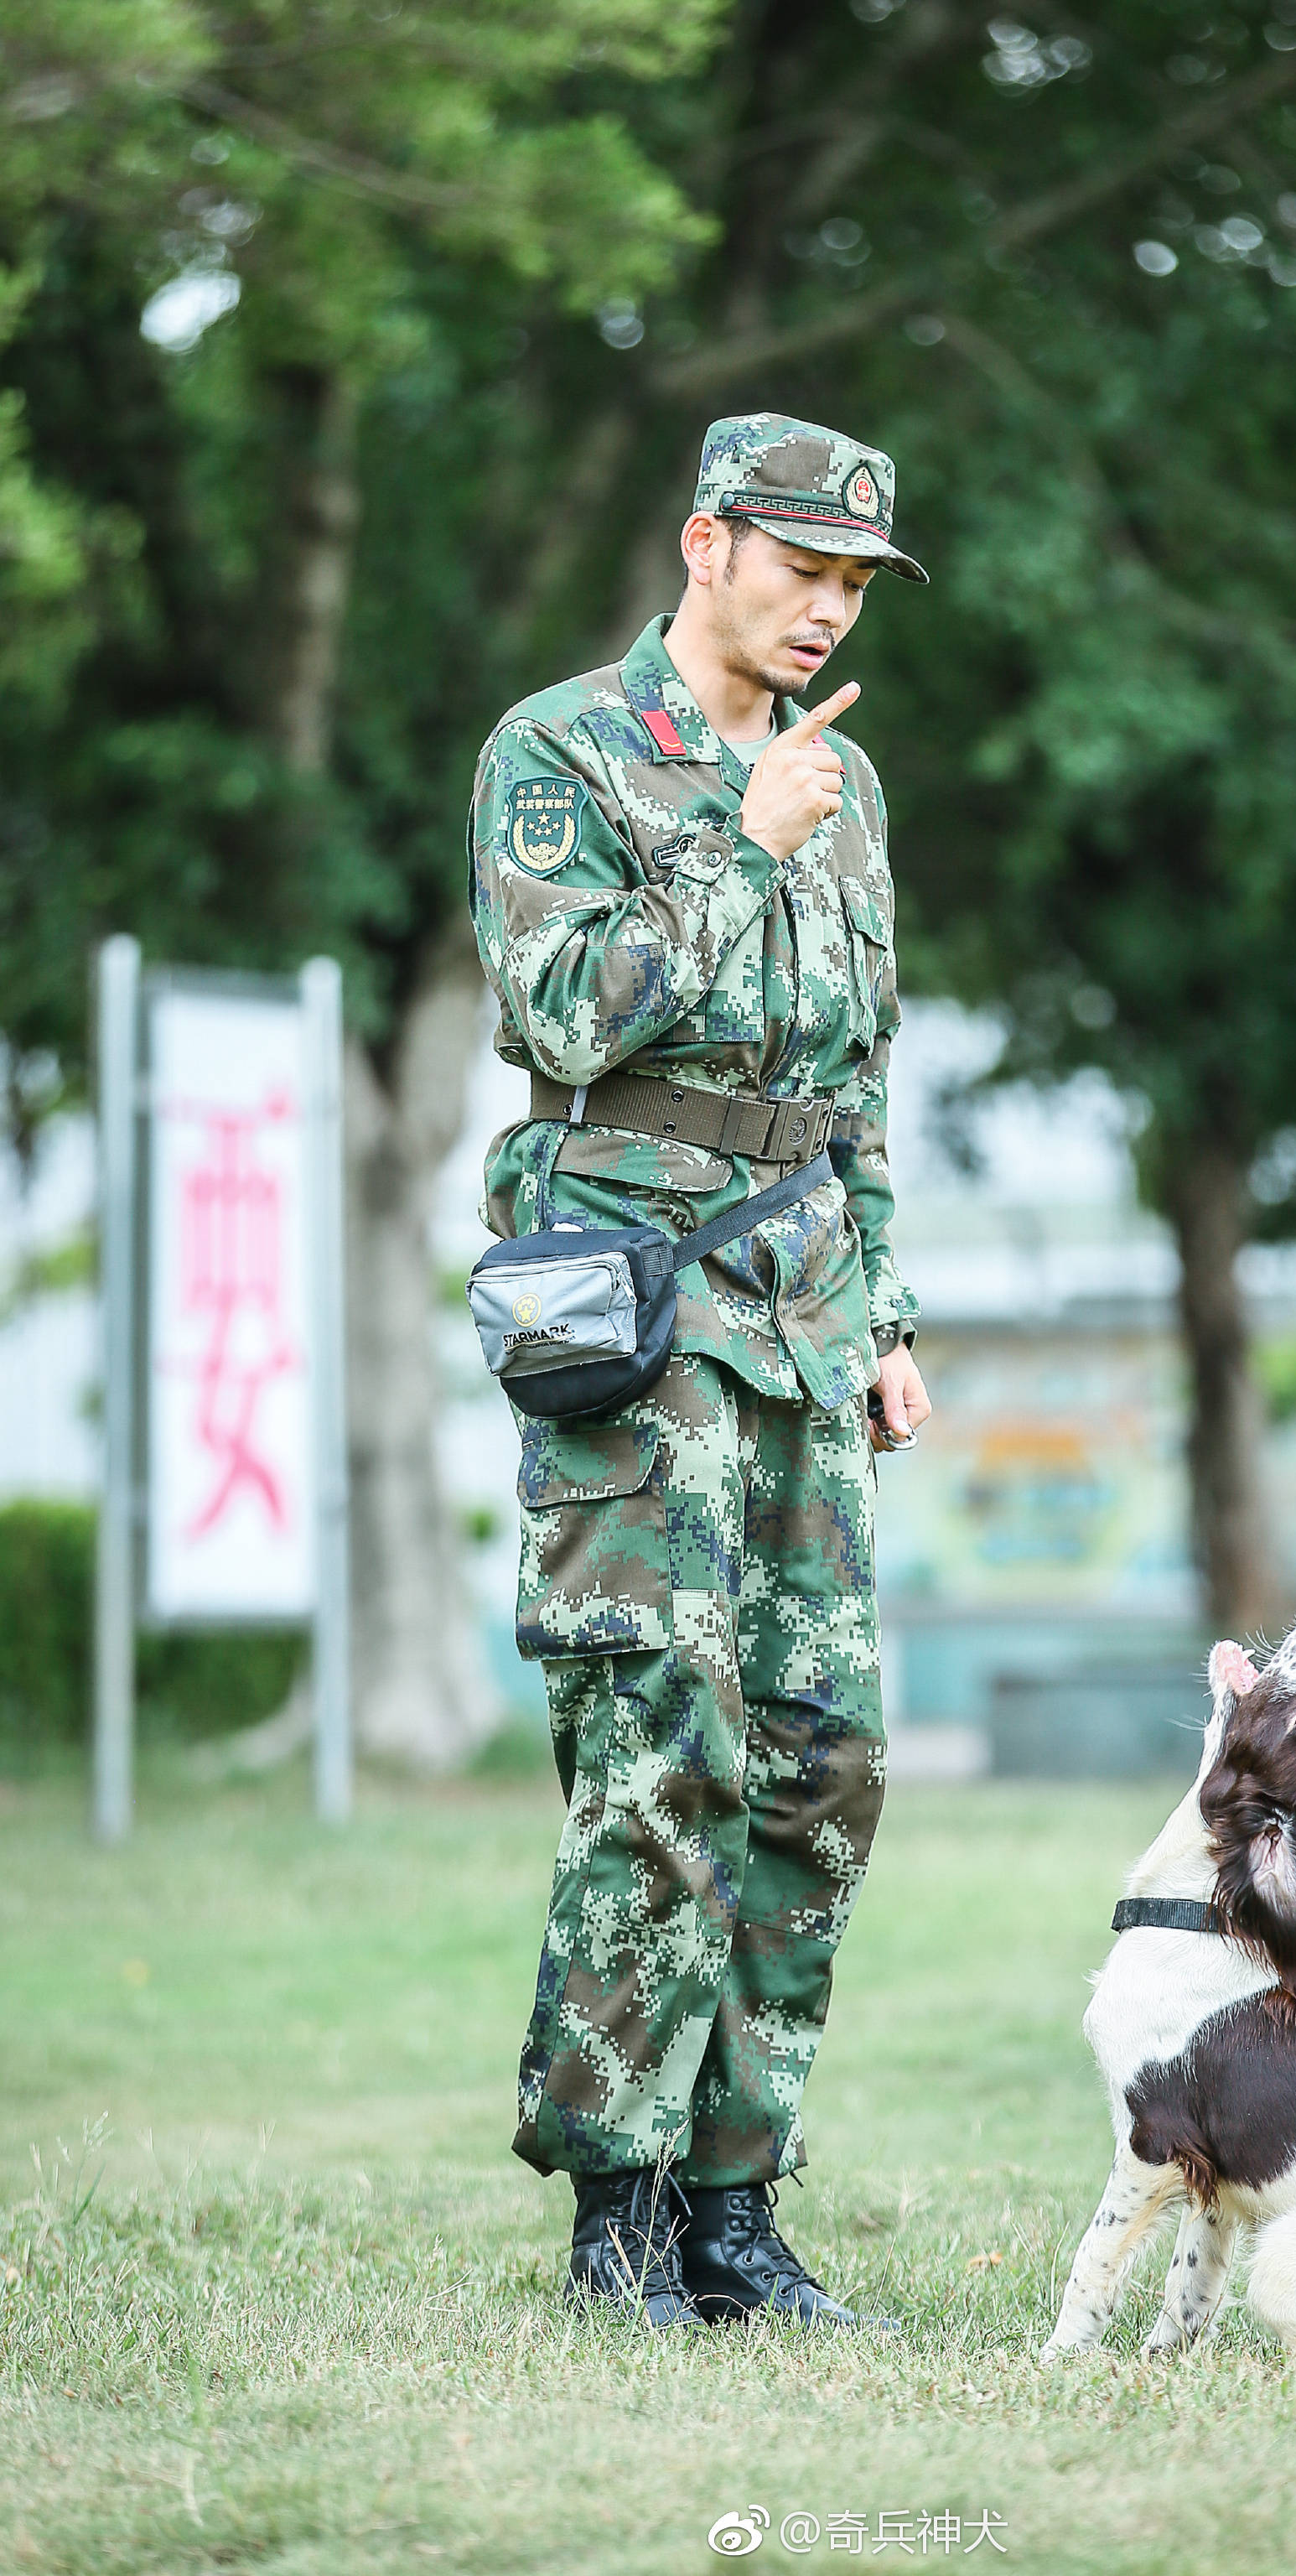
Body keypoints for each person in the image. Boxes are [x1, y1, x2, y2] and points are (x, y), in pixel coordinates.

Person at [467, 413, 931, 2329]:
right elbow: (557, 1010)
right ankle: (616, 2220)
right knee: (659, 1747)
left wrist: (888, 1312)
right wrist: (738, 849)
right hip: (642, 1312)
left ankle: (737, 2214)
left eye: (852, 582)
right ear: (704, 544)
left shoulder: (852, 784)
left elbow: (856, 1080)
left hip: (809, 1319)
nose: (825, 606)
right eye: (799, 565)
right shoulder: (562, 749)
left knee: (819, 1767)